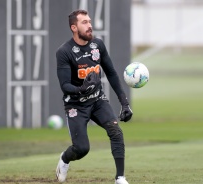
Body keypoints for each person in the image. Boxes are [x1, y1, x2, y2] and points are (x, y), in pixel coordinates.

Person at [55, 9, 133, 184]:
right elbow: (65, 85)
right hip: (76, 105)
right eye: (85, 23)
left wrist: (124, 103)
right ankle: (65, 159)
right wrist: (81, 88)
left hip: (97, 100)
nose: (90, 25)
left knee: (116, 131)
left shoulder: (97, 45)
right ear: (74, 28)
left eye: (89, 22)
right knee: (82, 149)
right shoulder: (65, 52)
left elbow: (111, 73)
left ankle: (120, 178)